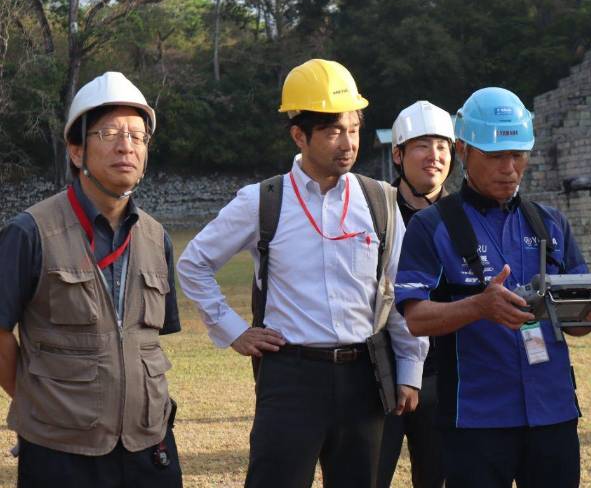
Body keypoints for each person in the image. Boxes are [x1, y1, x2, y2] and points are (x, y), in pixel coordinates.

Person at [177, 58, 428, 488]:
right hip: (289, 380)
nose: (347, 143)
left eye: (353, 128)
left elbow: (401, 291)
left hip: (364, 376)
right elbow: (193, 264)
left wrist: (410, 370)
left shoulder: (380, 203)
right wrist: (234, 330)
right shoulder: (263, 201)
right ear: (299, 135)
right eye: (333, 131)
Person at [393, 87, 591, 488]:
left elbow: (578, 321)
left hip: (553, 412)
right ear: (464, 151)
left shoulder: (549, 223)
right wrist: (480, 306)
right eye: (496, 156)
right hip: (476, 418)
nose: (510, 167)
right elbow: (416, 318)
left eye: (518, 155)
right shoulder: (432, 226)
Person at [0, 71, 183, 487]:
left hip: (148, 446)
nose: (126, 146)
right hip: (61, 453)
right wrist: (41, 402)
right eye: (110, 133)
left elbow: (148, 341)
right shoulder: (30, 232)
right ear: (77, 151)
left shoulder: (156, 238)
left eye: (138, 137)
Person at [377, 100, 453, 488]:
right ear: (398, 153)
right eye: (422, 145)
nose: (434, 156)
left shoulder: (462, 216)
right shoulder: (372, 212)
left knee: (437, 477)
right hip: (377, 372)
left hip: (445, 372)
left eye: (442, 146)